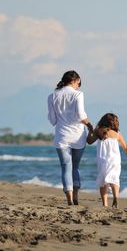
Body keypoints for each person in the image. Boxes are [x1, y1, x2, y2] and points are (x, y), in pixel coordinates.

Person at [47, 70, 94, 206]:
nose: (79, 85)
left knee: (66, 167)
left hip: (62, 136)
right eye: (79, 82)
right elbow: (80, 115)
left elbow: (52, 120)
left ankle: (69, 198)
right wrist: (90, 125)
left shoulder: (52, 96)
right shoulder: (78, 94)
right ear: (75, 80)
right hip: (78, 136)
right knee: (75, 167)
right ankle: (76, 195)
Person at [87, 113, 127, 208]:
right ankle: (116, 197)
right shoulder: (117, 134)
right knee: (114, 179)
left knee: (103, 181)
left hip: (103, 160)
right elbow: (126, 149)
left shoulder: (98, 132)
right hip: (115, 160)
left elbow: (89, 141)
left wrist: (90, 131)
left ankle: (105, 203)